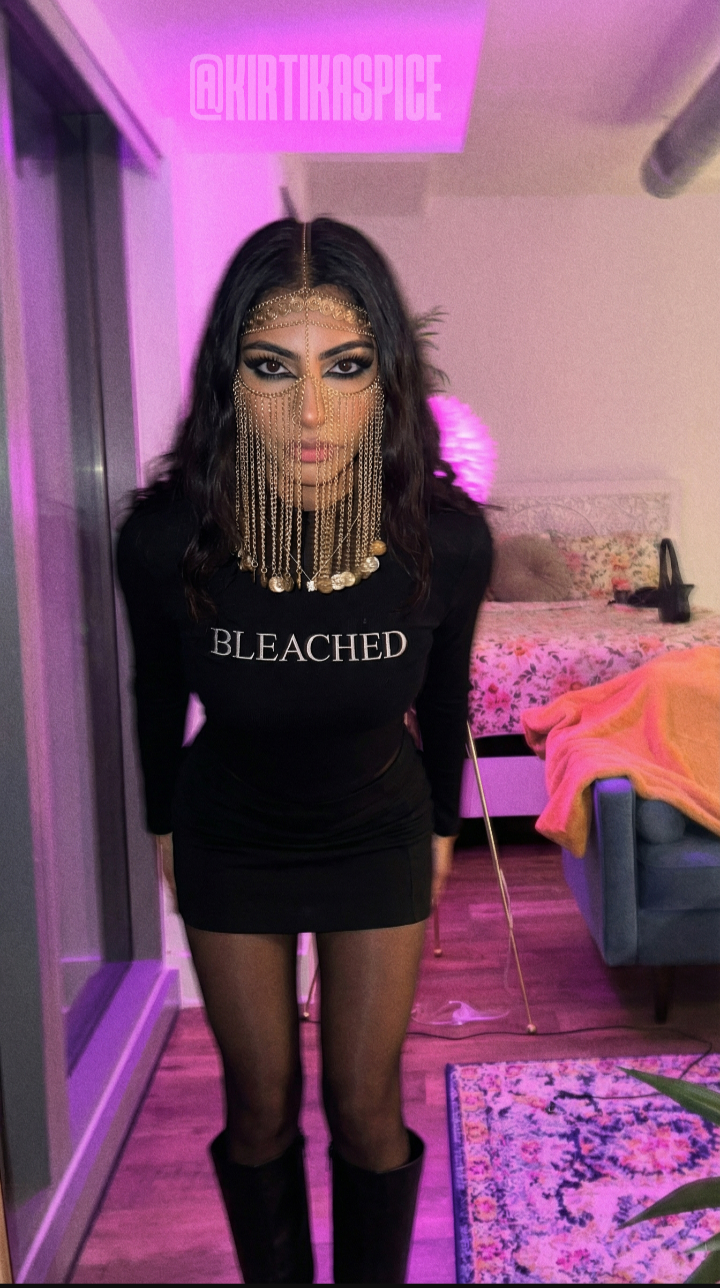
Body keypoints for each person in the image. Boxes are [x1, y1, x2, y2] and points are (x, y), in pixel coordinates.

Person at [117, 217, 492, 1285]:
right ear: (230, 378)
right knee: (260, 1106)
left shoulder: (444, 538)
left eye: (346, 366)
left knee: (366, 1108)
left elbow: (448, 695)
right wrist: (162, 824)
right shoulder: (165, 537)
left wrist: (442, 826)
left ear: (387, 377)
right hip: (231, 832)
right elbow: (156, 687)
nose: (312, 410)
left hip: (378, 829)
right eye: (274, 367)